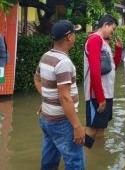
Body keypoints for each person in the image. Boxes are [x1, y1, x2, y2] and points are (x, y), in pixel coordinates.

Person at [34, 20, 85, 170]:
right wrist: (77, 126)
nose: (75, 36)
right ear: (69, 37)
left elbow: (37, 78)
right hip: (62, 122)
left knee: (49, 159)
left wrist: (47, 100)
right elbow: (64, 97)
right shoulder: (64, 63)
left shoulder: (46, 56)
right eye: (74, 33)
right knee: (75, 162)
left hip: (46, 119)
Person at [84, 14, 121, 138]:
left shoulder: (103, 42)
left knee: (100, 129)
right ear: (105, 25)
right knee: (91, 129)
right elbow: (95, 71)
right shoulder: (95, 40)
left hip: (106, 92)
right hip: (97, 94)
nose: (113, 32)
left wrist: (119, 50)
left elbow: (111, 67)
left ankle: (98, 156)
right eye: (113, 29)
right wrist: (100, 98)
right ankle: (83, 156)